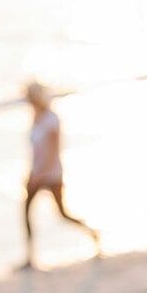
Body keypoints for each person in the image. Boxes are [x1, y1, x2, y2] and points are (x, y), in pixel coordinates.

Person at [21, 81, 100, 268]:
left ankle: (92, 232)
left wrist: (41, 174)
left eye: (30, 97)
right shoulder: (35, 117)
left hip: (52, 175)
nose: (27, 100)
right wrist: (31, 172)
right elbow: (36, 151)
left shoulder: (51, 119)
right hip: (36, 173)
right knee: (26, 213)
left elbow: (53, 151)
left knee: (62, 214)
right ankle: (30, 258)